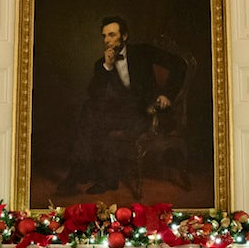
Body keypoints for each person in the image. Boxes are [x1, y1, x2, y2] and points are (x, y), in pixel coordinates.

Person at [61, 15, 188, 195]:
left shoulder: (143, 51)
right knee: (89, 109)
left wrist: (167, 94)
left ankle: (83, 173)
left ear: (125, 36)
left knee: (93, 118)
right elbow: (94, 94)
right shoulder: (102, 63)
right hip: (123, 114)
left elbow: (179, 64)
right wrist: (107, 67)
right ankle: (100, 177)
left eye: (112, 35)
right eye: (104, 36)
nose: (107, 40)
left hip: (148, 112)